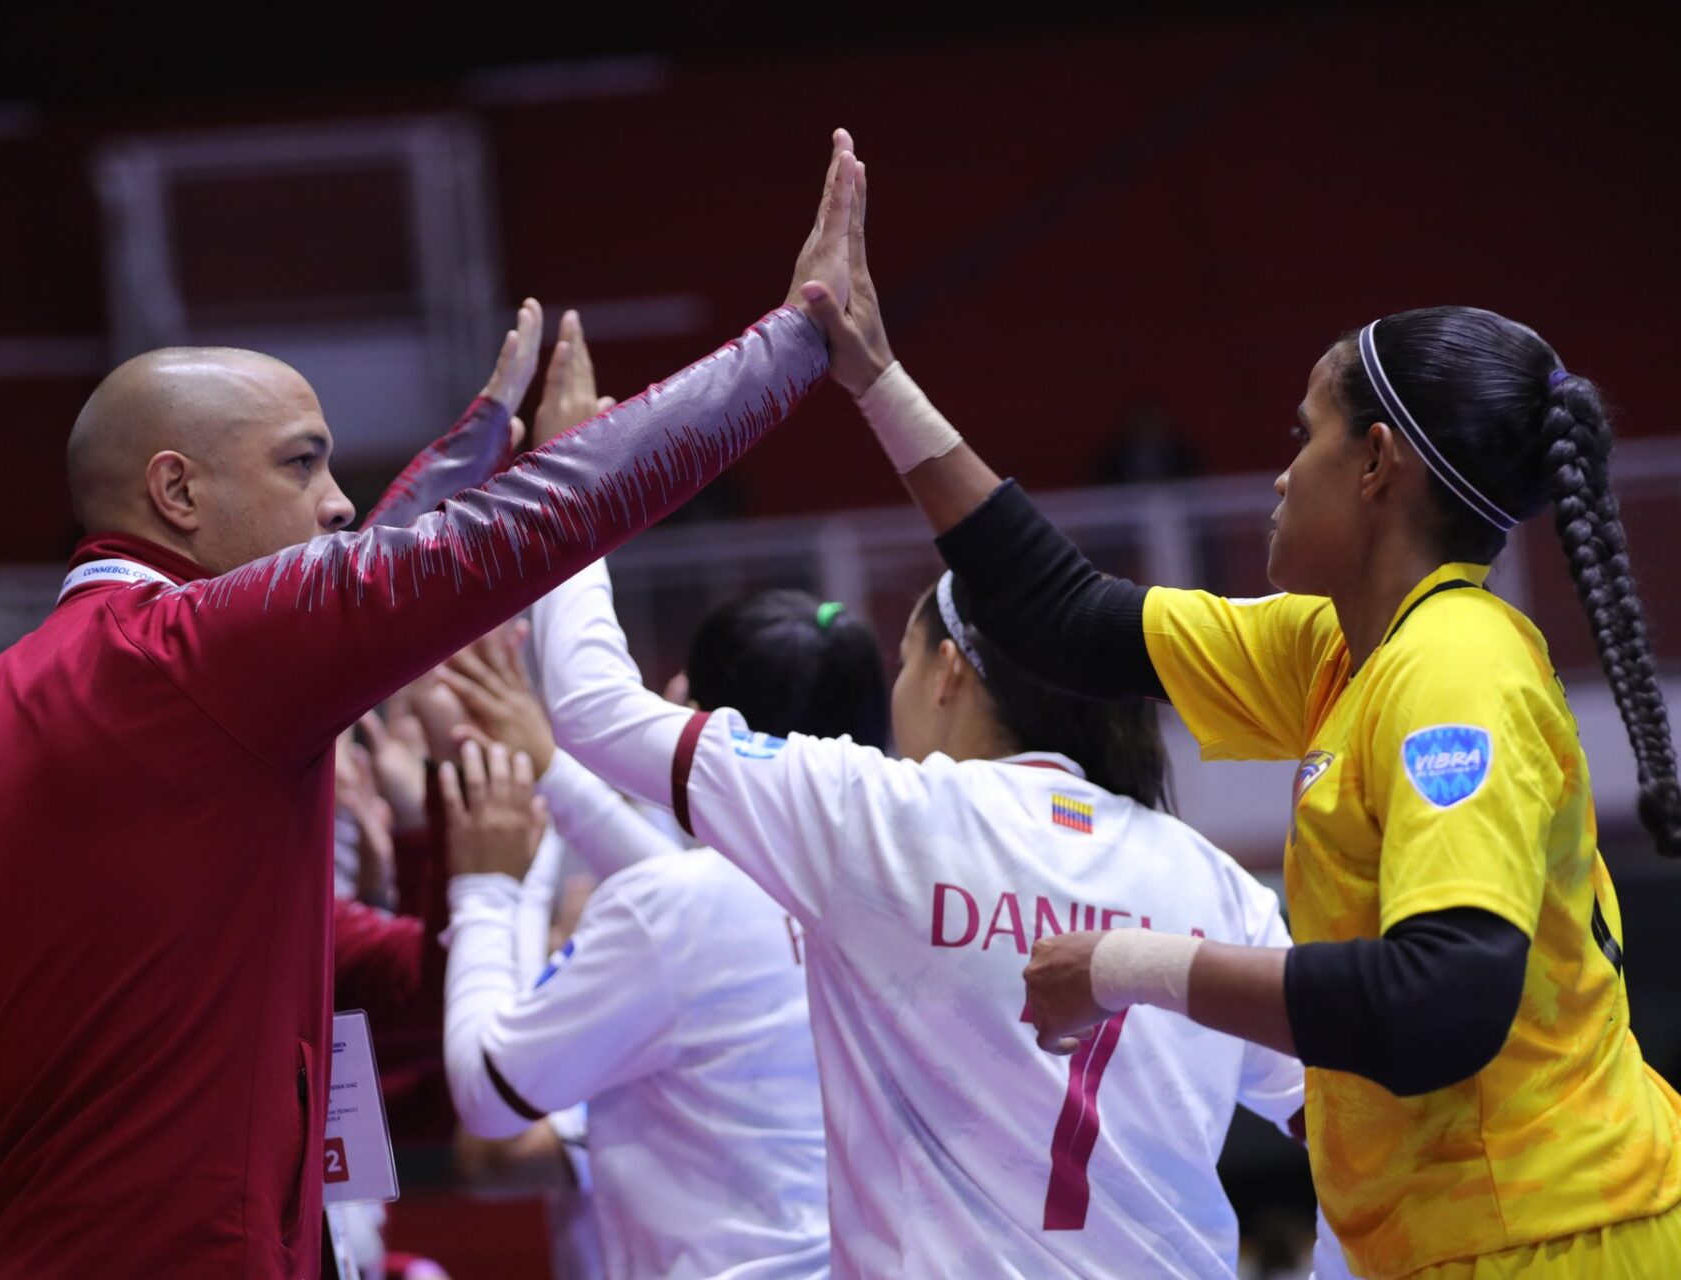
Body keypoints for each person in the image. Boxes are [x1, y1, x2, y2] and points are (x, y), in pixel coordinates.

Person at [0, 131, 863, 1279]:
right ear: (177, 491)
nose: (339, 500)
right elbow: (507, 537)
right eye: (303, 465)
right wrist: (799, 342)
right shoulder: (193, 656)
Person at [801, 159, 1681, 1277]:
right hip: (1475, 1238)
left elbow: (1440, 1001)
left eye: (1303, 436)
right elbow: (1063, 614)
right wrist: (873, 376)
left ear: (1375, 464)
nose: (1276, 477)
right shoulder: (1334, 646)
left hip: (1562, 1232)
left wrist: (1128, 961)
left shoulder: (1454, 668)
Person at [520, 533, 1349, 1276]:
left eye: (907, 662)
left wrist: (584, 492)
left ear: (948, 670)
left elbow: (594, 706)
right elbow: (1343, 1118)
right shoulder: (1216, 884)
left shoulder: (879, 814)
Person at [435, 571, 890, 1280]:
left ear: (710, 729)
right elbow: (696, 918)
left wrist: (490, 887)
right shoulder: (895, 876)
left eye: (680, 704)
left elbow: (488, 1103)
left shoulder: (685, 903)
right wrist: (551, 772)